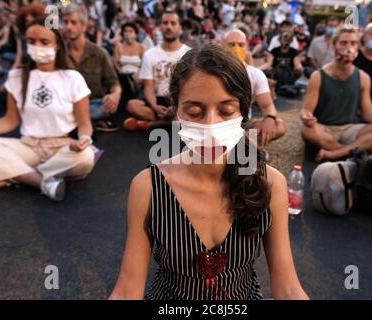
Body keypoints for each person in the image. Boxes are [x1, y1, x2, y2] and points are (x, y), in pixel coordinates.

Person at [109, 44, 309, 300]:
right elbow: (127, 292)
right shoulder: (148, 187)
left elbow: (289, 289)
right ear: (176, 111)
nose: (211, 127)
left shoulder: (270, 183)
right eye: (195, 111)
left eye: (226, 111)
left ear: (243, 111)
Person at [0, 18, 95, 201]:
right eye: (31, 42)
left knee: (86, 157)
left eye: (44, 42)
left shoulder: (72, 78)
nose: (37, 46)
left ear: (57, 46)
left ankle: (12, 174)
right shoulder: (17, 76)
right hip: (28, 146)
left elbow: (84, 123)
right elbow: (10, 120)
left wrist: (83, 139)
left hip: (61, 147)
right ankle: (40, 182)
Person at [301, 27, 372, 162]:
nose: (348, 47)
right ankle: (354, 151)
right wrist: (307, 117)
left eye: (353, 43)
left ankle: (335, 153)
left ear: (357, 48)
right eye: (343, 43)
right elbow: (306, 110)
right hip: (324, 128)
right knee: (308, 131)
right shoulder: (318, 76)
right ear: (334, 47)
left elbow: (368, 113)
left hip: (349, 128)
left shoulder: (363, 77)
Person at [124, 10, 191, 131]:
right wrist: (154, 106)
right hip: (157, 100)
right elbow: (148, 87)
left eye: (173, 23)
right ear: (160, 27)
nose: (168, 26)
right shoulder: (149, 54)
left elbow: (190, 87)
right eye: (165, 23)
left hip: (180, 101)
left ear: (180, 27)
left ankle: (151, 124)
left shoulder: (189, 54)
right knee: (131, 105)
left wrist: (176, 105)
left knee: (192, 110)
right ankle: (170, 122)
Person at [62, 3, 122, 132]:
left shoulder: (99, 53)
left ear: (84, 26)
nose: (68, 27)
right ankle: (88, 122)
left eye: (73, 22)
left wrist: (115, 95)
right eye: (65, 22)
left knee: (106, 106)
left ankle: (75, 122)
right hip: (67, 104)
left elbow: (114, 83)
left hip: (94, 104)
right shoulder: (58, 54)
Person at [224, 29, 286, 146]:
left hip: (243, 124)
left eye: (241, 45)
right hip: (217, 125)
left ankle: (242, 147)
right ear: (222, 46)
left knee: (279, 126)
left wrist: (269, 118)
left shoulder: (255, 74)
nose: (237, 48)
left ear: (247, 47)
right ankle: (245, 148)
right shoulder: (212, 73)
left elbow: (267, 105)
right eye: (231, 45)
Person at [113, 22, 145, 108]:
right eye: (125, 31)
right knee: (124, 79)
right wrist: (121, 73)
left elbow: (144, 65)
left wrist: (138, 74)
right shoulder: (119, 47)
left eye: (131, 31)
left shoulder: (141, 47)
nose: (128, 33)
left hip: (137, 76)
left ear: (135, 34)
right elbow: (116, 64)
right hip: (123, 76)